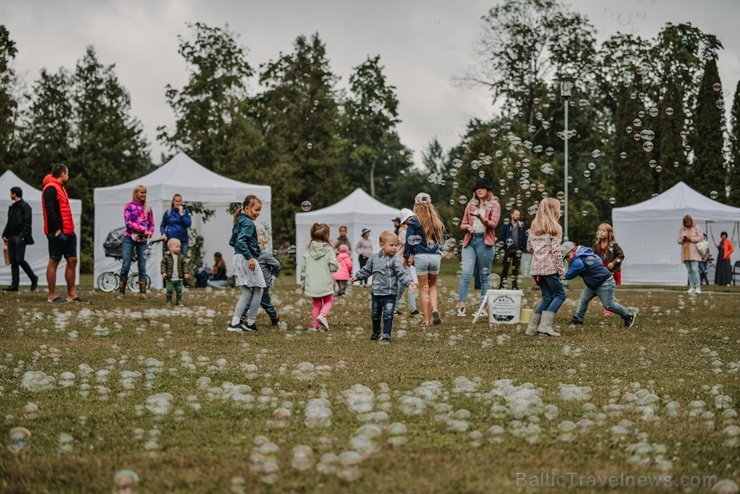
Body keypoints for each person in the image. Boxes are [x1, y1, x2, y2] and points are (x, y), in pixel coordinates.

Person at [351, 230, 418, 343]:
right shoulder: (373, 259)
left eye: (396, 245)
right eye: (391, 245)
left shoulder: (395, 261)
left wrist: (409, 282)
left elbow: (402, 273)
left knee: (388, 315)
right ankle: (376, 332)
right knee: (375, 315)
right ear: (382, 245)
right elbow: (367, 270)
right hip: (376, 293)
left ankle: (386, 334)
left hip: (390, 294)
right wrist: (357, 277)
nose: (395, 248)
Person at [562, 242, 637, 329]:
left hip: (604, 282)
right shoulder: (584, 252)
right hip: (594, 283)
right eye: (566, 258)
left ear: (573, 250)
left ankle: (629, 315)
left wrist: (560, 276)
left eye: (568, 256)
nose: (568, 259)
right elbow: (597, 258)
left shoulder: (579, 260)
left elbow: (569, 275)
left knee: (609, 305)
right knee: (583, 299)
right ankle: (578, 319)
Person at [41, 164, 86, 303]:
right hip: (57, 231)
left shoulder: (61, 188)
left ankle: (72, 294)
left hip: (68, 231)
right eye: (67, 173)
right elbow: (50, 210)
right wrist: (56, 229)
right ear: (62, 174)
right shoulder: (50, 188)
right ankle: (52, 295)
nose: (68, 176)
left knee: (72, 260)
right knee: (54, 260)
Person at [457, 177, 501, 317]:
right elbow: (462, 224)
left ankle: (483, 308)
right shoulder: (471, 205)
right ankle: (462, 307)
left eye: (482, 187)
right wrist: (467, 227)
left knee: (484, 275)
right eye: (477, 188)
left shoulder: (494, 205)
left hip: (485, 242)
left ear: (488, 190)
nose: (479, 190)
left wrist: (482, 219)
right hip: (470, 241)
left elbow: (493, 224)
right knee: (466, 273)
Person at [525, 197, 566, 337]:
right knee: (560, 295)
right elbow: (556, 252)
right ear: (554, 211)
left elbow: (529, 248)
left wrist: (539, 248)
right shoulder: (556, 228)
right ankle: (544, 326)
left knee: (547, 297)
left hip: (536, 267)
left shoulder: (533, 228)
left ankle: (531, 328)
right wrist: (561, 271)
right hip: (549, 267)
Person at [404, 192, 444, 328]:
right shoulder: (436, 222)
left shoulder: (414, 221)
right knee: (432, 285)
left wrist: (406, 256)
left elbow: (408, 241)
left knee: (423, 289)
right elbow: (440, 242)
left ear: (416, 206)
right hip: (435, 257)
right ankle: (435, 309)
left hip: (420, 256)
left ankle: (426, 320)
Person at [228, 195, 265, 332]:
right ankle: (250, 323)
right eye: (256, 209)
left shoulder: (239, 221)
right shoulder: (248, 223)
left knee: (246, 293)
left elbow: (232, 241)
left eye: (260, 210)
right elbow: (240, 242)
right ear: (247, 208)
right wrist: (250, 257)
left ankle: (235, 323)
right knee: (258, 288)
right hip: (246, 258)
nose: (258, 213)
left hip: (238, 257)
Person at [300, 223, 339, 331]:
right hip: (325, 282)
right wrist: (336, 264)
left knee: (316, 304)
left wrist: (303, 283)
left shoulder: (308, 251)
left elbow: (303, 269)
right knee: (329, 301)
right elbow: (333, 267)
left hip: (312, 283)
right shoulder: (329, 250)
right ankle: (322, 315)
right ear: (327, 236)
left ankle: (315, 326)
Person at [119, 185, 155, 299]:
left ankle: (142, 292)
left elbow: (151, 223)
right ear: (136, 194)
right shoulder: (128, 206)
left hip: (142, 240)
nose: (143, 195)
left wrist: (149, 232)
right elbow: (128, 222)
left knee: (142, 266)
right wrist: (142, 229)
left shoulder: (148, 208)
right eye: (141, 193)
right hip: (129, 238)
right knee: (126, 264)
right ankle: (121, 291)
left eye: (145, 193)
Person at [2, 186, 38, 291]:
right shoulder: (12, 207)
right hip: (12, 236)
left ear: (14, 194)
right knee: (13, 261)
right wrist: (4, 235)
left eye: (11, 193)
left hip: (20, 237)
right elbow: (9, 222)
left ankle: (33, 277)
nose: (10, 195)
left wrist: (22, 236)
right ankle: (14, 285)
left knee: (19, 259)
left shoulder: (25, 207)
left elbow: (28, 223)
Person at [593, 223, 625, 315]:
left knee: (609, 289)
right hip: (601, 271)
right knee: (605, 289)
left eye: (604, 231)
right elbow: (594, 257)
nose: (601, 232)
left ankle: (609, 308)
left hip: (612, 272)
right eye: (600, 230)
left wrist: (614, 263)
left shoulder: (613, 245)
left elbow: (621, 256)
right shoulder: (597, 245)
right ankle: (610, 306)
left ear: (609, 233)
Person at [254, 232, 281, 326]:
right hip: (253, 282)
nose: (256, 245)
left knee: (265, 302)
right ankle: (241, 319)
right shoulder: (251, 255)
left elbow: (277, 265)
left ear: (263, 245)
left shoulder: (265, 256)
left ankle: (274, 317)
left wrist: (273, 276)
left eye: (259, 243)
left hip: (264, 284)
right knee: (248, 300)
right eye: (254, 242)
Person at [395, 208, 418, 316]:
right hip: (401, 262)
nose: (413, 219)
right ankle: (413, 309)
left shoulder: (410, 230)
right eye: (411, 218)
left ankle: (394, 307)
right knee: (409, 284)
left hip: (406, 262)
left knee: (403, 286)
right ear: (406, 220)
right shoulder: (403, 231)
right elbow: (410, 244)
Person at [498, 209, 527, 290]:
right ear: (512, 215)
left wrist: (522, 248)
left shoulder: (522, 226)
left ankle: (514, 285)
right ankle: (502, 285)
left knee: (515, 269)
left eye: (519, 215)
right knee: (505, 268)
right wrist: (504, 247)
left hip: (517, 250)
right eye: (516, 214)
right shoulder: (506, 225)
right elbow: (501, 237)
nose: (518, 216)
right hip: (508, 250)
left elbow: (525, 238)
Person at [677, 214, 703, 295]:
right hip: (686, 251)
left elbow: (701, 237)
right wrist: (682, 241)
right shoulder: (682, 229)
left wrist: (691, 239)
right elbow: (678, 240)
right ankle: (691, 286)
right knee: (689, 271)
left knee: (695, 270)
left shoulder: (696, 227)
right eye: (686, 223)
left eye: (688, 222)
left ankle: (698, 287)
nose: (687, 224)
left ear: (691, 221)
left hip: (694, 252)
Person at [161, 238, 189, 306]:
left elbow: (184, 264)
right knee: (169, 289)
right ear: (170, 247)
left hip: (179, 277)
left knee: (179, 290)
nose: (179, 248)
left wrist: (186, 272)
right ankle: (169, 301)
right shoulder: (166, 256)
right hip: (170, 277)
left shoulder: (181, 256)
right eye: (177, 246)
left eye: (179, 247)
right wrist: (163, 272)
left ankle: (179, 301)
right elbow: (163, 264)